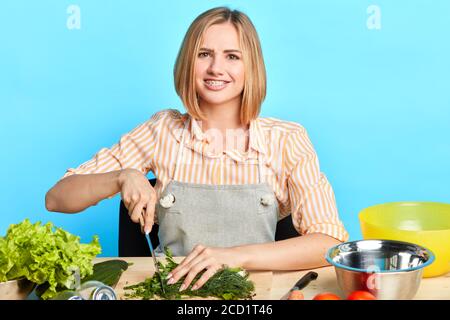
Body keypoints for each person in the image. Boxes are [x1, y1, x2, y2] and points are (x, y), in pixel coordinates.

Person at [45, 7, 348, 292]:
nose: (217, 68)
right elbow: (57, 198)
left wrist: (235, 257)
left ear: (250, 67)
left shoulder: (286, 139)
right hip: (173, 293)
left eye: (232, 56)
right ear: (189, 62)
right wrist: (122, 177)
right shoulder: (162, 130)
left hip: (253, 295)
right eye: (204, 54)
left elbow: (329, 242)